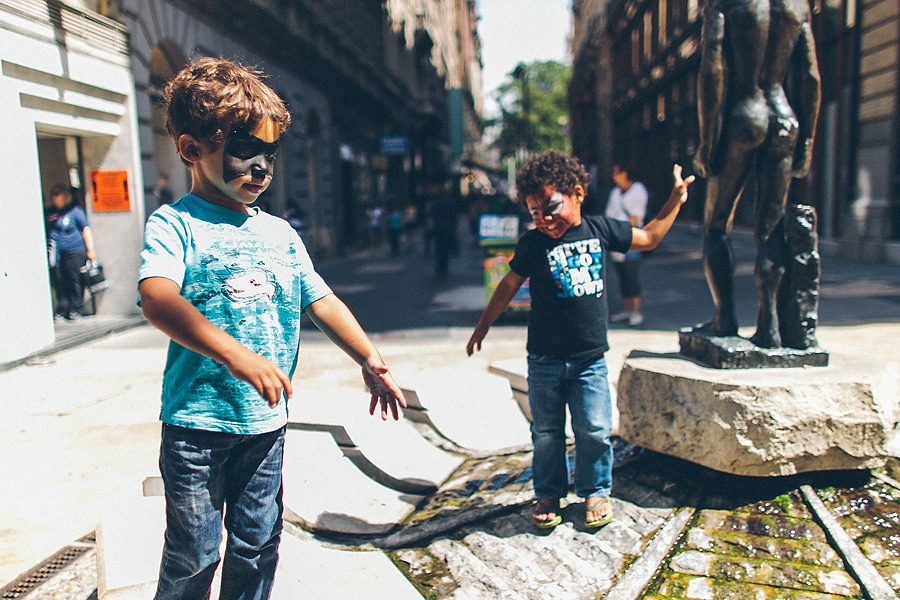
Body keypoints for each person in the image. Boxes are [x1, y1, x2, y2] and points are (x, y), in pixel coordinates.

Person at [138, 57, 407, 600]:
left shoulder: (282, 234)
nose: (261, 167)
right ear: (191, 150)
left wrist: (370, 358)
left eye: (269, 153)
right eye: (243, 149)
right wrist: (235, 354)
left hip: (265, 426)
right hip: (197, 426)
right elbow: (157, 298)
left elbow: (321, 298)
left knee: (258, 542)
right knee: (195, 550)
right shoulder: (175, 223)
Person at [466, 151, 693, 530]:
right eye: (535, 212)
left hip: (590, 360)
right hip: (543, 360)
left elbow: (650, 236)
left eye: (551, 207)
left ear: (577, 194)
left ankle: (595, 491)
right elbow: (509, 283)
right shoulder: (533, 243)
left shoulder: (601, 229)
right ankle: (548, 492)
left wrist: (675, 199)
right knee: (546, 433)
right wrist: (483, 325)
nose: (544, 219)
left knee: (594, 429)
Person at [692, 0, 820, 348]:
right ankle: (770, 327)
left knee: (716, 227)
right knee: (771, 228)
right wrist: (807, 139)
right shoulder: (797, 6)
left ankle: (725, 318)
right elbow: (809, 76)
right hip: (783, 117)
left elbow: (712, 68)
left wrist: (707, 141)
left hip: (743, 115)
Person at [605, 161, 649, 327]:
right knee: (621, 275)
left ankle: (636, 311)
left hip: (631, 238)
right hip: (616, 238)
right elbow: (608, 213)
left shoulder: (638, 190)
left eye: (615, 171)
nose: (613, 175)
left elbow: (636, 217)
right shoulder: (615, 192)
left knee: (631, 274)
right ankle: (626, 310)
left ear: (624, 173)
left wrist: (621, 231)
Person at [46, 184, 95, 320]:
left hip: (73, 250)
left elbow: (86, 229)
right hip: (56, 252)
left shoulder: (75, 211)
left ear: (65, 196)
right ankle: (62, 308)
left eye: (57, 194)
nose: (54, 197)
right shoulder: (50, 212)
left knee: (73, 279)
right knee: (59, 280)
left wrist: (90, 250)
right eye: (53, 194)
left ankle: (75, 308)